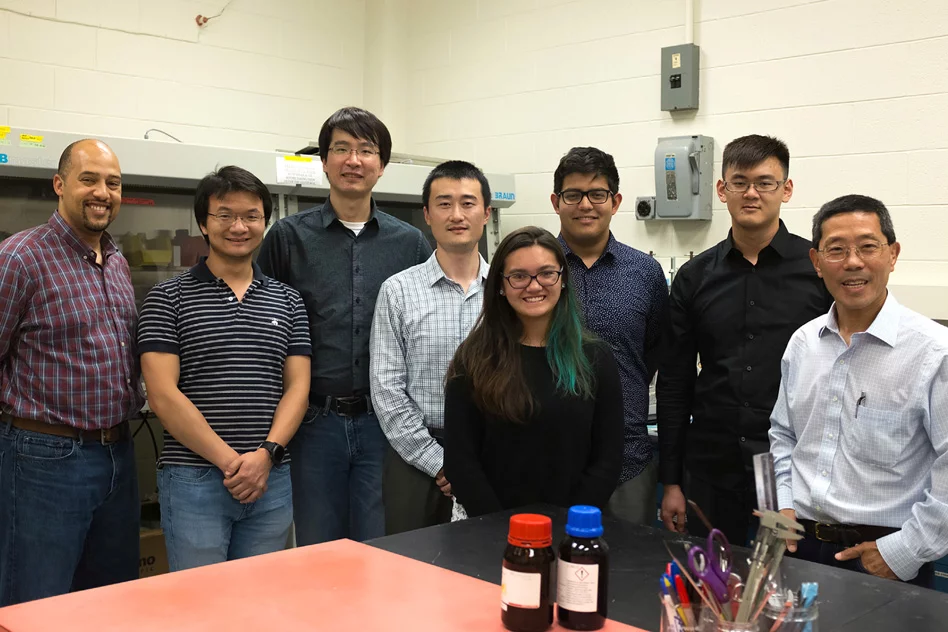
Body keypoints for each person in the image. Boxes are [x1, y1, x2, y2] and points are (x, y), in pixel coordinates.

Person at [258, 107, 432, 544]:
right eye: (341, 149)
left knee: (383, 545)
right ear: (324, 160)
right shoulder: (287, 237)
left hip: (385, 424)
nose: (353, 160)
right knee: (318, 547)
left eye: (366, 150)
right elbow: (264, 322)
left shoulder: (408, 242)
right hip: (314, 424)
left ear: (382, 165)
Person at [658, 134, 832, 544]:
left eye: (765, 182)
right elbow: (675, 383)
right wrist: (671, 482)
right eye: (739, 182)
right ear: (722, 190)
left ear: (786, 189)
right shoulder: (695, 277)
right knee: (713, 590)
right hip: (712, 467)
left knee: (783, 588)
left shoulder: (820, 272)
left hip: (792, 472)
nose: (751, 193)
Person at [770, 194, 948, 588]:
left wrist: (902, 553)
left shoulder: (934, 352)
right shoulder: (803, 343)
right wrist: (782, 504)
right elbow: (783, 435)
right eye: (836, 250)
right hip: (800, 548)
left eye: (868, 246)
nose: (853, 262)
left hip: (884, 556)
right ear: (817, 263)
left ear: (893, 254)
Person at [138, 167, 311, 570]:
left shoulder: (288, 301)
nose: (239, 226)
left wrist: (265, 456)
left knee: (258, 602)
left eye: (251, 216)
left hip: (271, 479)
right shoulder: (167, 299)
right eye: (225, 215)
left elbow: (298, 388)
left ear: (264, 222)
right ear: (203, 222)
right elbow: (162, 394)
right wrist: (233, 463)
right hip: (194, 481)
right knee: (200, 607)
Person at [0, 139, 144, 605]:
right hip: (43, 458)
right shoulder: (19, 259)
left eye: (113, 182)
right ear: (59, 185)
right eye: (89, 179)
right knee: (36, 599)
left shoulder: (117, 261)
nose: (102, 192)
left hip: (118, 455)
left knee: (109, 599)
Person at [443, 226, 623, 517]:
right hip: (490, 531)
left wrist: (570, 522)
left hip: (572, 528)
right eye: (519, 276)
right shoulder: (474, 359)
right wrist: (501, 526)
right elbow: (461, 461)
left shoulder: (595, 358)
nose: (534, 285)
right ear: (500, 284)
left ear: (562, 280)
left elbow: (608, 457)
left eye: (546, 273)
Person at [370, 160, 492, 534]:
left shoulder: (508, 291)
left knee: (484, 567)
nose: (457, 214)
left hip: (493, 456)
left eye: (468, 203)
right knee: (411, 576)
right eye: (444, 203)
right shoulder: (398, 291)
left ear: (486, 213)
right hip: (416, 460)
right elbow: (387, 389)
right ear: (426, 214)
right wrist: (439, 462)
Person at [551, 146, 668, 526]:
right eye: (573, 195)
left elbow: (650, 353)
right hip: (548, 456)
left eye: (597, 194)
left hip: (626, 459)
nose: (585, 205)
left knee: (628, 574)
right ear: (556, 202)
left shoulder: (645, 273)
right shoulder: (533, 266)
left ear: (615, 201)